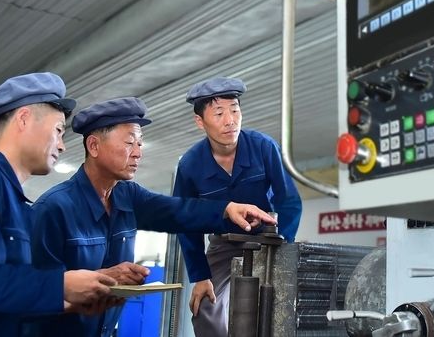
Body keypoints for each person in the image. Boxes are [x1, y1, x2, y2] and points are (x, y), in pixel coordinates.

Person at [29, 96, 276, 337]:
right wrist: (104, 279)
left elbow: (177, 211)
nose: (138, 153)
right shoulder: (53, 209)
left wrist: (227, 209)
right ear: (94, 146)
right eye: (129, 143)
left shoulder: (127, 196)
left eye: (140, 143)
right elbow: (28, 294)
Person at [0, 72, 119, 337]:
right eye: (58, 130)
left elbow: (4, 293)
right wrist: (61, 286)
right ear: (23, 119)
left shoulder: (18, 204)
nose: (62, 145)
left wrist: (75, 299)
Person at [174, 76, 302, 336]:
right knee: (205, 308)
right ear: (200, 121)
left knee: (278, 309)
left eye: (235, 110)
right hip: (223, 245)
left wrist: (284, 243)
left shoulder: (264, 147)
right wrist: (199, 277)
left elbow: (288, 200)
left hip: (268, 240)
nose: (230, 120)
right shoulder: (190, 165)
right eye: (219, 113)